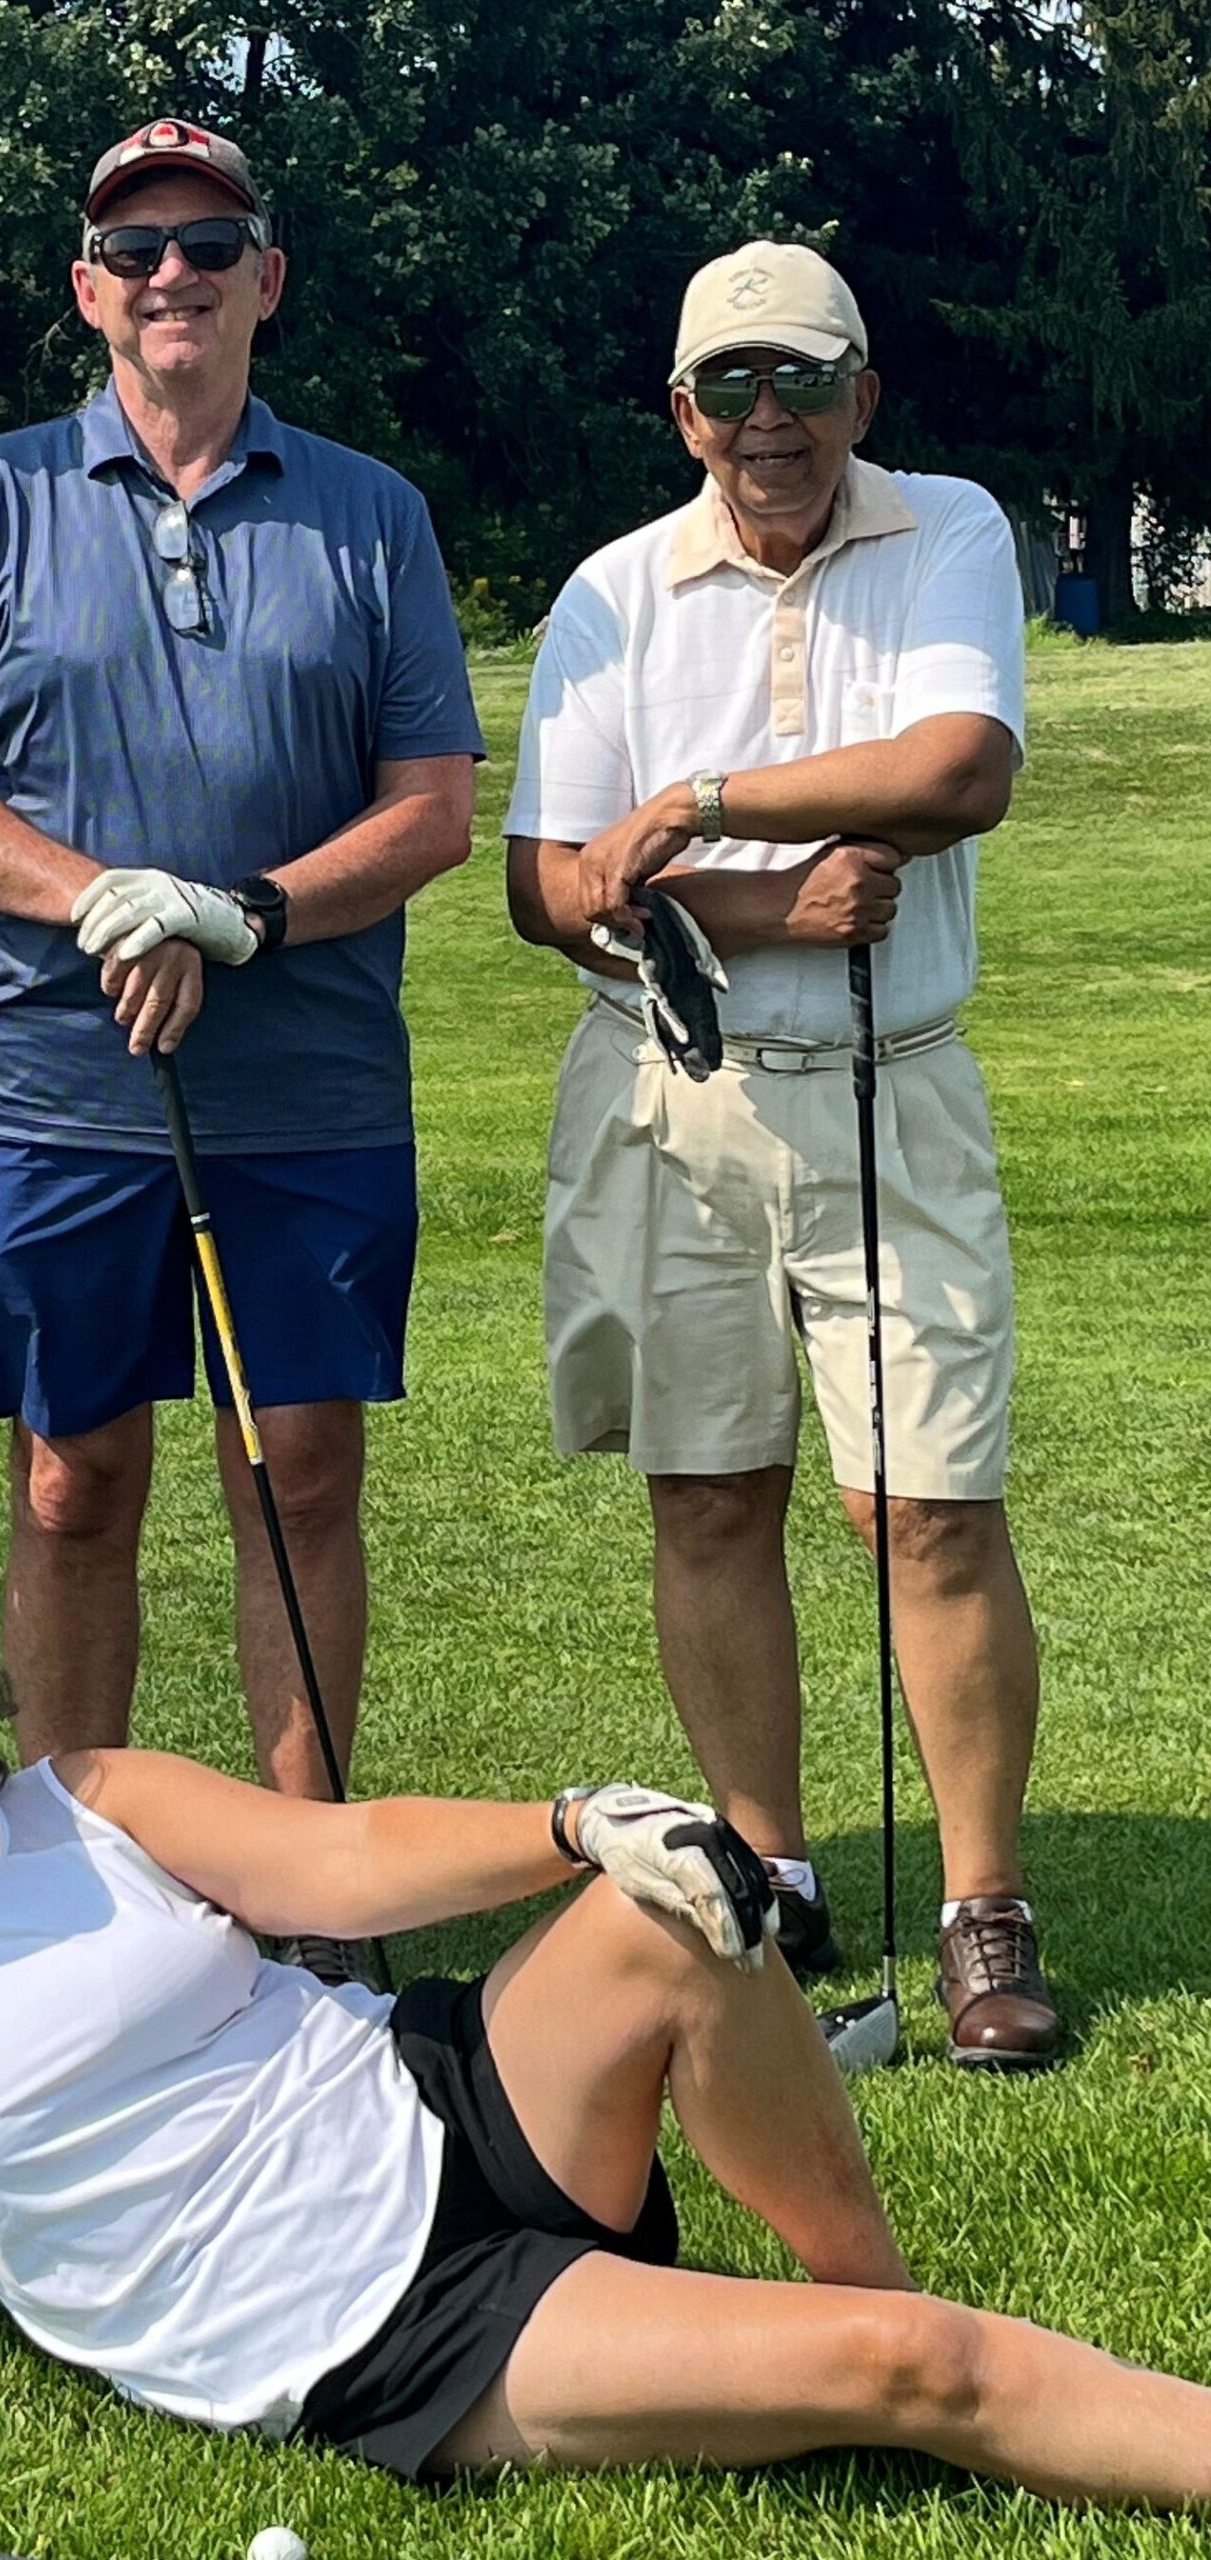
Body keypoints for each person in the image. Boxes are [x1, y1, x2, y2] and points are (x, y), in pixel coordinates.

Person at [0, 1553, 1211, 2554]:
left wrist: (580, 1825)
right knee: (921, 2376)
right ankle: (905, 2358)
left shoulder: (85, 1804)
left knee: (675, 1910)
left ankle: (866, 2289)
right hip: (380, 2332)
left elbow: (348, 1857)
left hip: (444, 2091)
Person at [0, 119, 482, 1980]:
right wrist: (102, 896)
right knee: (73, 1480)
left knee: (294, 1469)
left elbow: (436, 804)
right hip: (57, 1091)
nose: (171, 275)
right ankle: (76, 1885)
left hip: (303, 1091)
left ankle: (307, 1891)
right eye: (132, 248)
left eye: (208, 242)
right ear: (87, 288)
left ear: (264, 277)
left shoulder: (367, 509)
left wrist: (251, 912)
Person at [503, 241, 1057, 2066]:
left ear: (861, 396)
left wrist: (705, 808)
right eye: (730, 388)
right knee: (711, 1489)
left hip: (894, 1073)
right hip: (674, 1088)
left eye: (801, 382)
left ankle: (982, 1913)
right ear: (684, 411)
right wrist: (771, 901)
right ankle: (769, 1873)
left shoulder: (951, 528)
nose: (768, 420)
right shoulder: (612, 589)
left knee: (927, 1503)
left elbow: (961, 766)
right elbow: (552, 889)